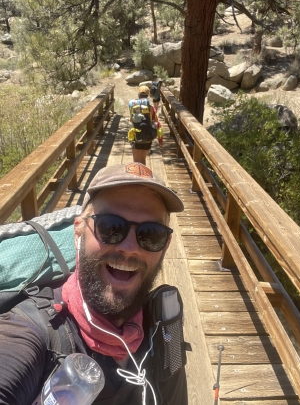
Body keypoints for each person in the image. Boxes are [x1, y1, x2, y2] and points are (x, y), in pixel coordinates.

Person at [0, 162, 188, 405]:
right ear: (79, 231)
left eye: (151, 234)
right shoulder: (30, 331)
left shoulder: (162, 321)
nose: (130, 248)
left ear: (166, 245)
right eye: (111, 227)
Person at [128, 86, 158, 165]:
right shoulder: (151, 108)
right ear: (148, 95)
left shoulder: (133, 106)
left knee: (136, 161)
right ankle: (143, 176)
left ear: (138, 94)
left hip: (136, 135)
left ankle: (137, 176)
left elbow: (131, 120)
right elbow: (155, 120)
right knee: (142, 159)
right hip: (148, 135)